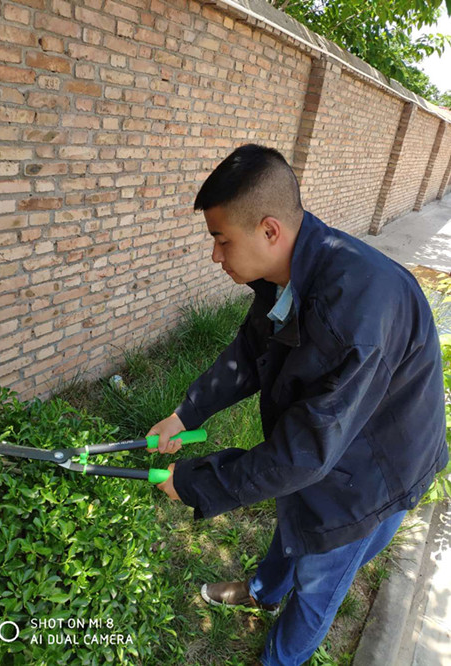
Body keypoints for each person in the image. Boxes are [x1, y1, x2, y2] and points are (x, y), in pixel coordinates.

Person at [145, 144, 448, 665]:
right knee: (294, 520)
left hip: (374, 471)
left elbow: (302, 454)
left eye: (221, 239)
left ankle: (279, 659)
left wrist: (198, 482)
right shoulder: (290, 271)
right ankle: (263, 592)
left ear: (269, 230)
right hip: (334, 440)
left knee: (318, 582)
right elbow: (251, 350)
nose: (215, 256)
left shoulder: (354, 316)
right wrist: (186, 413)